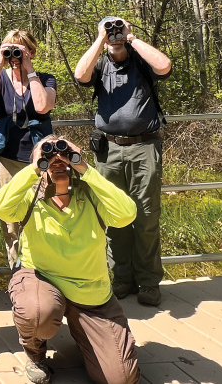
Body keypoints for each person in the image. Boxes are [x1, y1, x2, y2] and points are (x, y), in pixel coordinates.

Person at [0, 136, 140, 384]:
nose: (55, 158)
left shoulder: (91, 195)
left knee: (121, 379)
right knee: (38, 312)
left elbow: (126, 214)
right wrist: (34, 168)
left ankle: (87, 338)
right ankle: (35, 352)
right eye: (47, 154)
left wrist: (86, 169)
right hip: (41, 280)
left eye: (62, 152)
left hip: (91, 295)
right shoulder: (30, 197)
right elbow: (1, 207)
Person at [74, 16, 172, 307]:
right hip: (109, 150)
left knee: (146, 217)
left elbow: (164, 65)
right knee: (114, 216)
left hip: (144, 146)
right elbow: (80, 75)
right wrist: (100, 39)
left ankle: (149, 282)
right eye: (110, 30)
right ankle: (122, 279)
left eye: (119, 28)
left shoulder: (141, 61)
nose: (114, 33)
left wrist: (131, 38)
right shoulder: (101, 64)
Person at [0, 29, 57, 264]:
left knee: (43, 218)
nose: (14, 56)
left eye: (19, 50)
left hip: (39, 160)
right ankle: (19, 275)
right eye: (10, 50)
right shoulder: (1, 78)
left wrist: (29, 69)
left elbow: (43, 107)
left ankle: (43, 273)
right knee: (11, 224)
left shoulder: (45, 78)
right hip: (6, 160)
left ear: (31, 52)